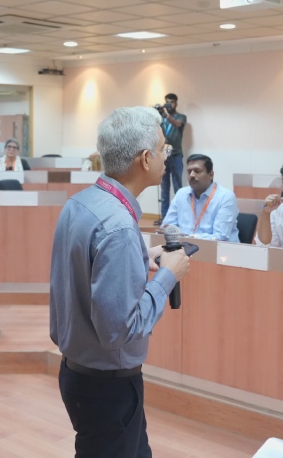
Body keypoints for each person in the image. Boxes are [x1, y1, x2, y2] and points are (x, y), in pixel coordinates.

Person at [50, 106, 190, 458]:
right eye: (163, 149)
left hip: (78, 372)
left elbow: (87, 271)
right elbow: (119, 330)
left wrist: (141, 258)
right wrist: (167, 277)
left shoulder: (80, 203)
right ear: (145, 159)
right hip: (107, 386)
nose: (167, 155)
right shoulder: (119, 227)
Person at [161, 154, 240, 242]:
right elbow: (167, 227)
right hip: (184, 247)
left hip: (218, 248)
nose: (191, 175)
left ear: (211, 174)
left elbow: (220, 237)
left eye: (197, 171)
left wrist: (189, 238)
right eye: (189, 171)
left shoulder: (226, 197)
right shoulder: (181, 194)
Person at [155, 93, 186, 226]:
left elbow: (177, 124)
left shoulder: (181, 117)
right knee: (164, 187)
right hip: (165, 152)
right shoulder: (162, 119)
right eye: (167, 102)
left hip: (177, 153)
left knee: (178, 187)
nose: (169, 105)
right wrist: (157, 116)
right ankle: (164, 218)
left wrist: (167, 115)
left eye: (172, 102)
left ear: (176, 103)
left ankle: (180, 217)